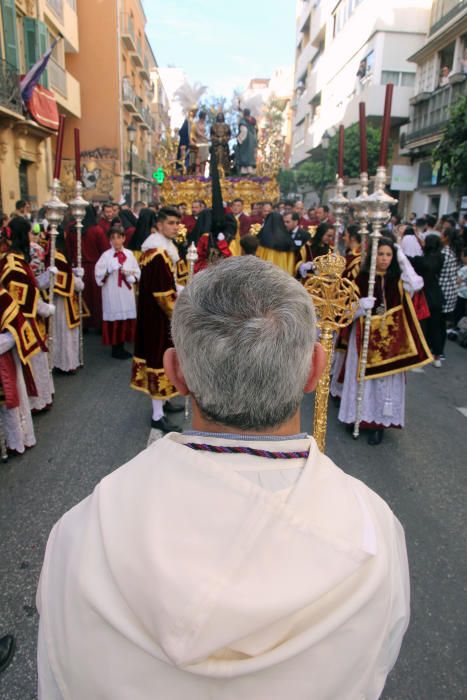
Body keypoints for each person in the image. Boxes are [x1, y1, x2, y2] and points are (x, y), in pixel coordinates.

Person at [37, 256, 410, 700]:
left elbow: (58, 681)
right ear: (315, 369)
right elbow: (375, 669)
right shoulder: (374, 532)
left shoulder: (79, 534)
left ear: (175, 373)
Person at [338, 238, 432, 444]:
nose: (384, 259)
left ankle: (378, 424)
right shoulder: (361, 279)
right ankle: (357, 418)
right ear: (373, 255)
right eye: (381, 254)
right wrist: (360, 306)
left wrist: (400, 255)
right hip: (363, 338)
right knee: (362, 379)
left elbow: (417, 283)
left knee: (383, 383)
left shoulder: (398, 281)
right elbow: (343, 312)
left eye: (388, 255)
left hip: (391, 343)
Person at [130, 207, 184, 431]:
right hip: (157, 319)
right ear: (159, 225)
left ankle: (166, 400)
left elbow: (167, 284)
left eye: (176, 223)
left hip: (158, 317)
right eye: (170, 223)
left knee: (165, 357)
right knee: (157, 360)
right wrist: (181, 309)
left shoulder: (164, 250)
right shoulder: (157, 254)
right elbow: (163, 296)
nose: (174, 227)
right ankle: (157, 415)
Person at [0, 217, 54, 413]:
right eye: (30, 233)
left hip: (28, 318)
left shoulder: (16, 258)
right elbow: (22, 297)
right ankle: (36, 402)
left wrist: (48, 277)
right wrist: (43, 308)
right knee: (33, 360)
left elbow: (31, 286)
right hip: (24, 321)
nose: (34, 237)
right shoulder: (13, 264)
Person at [95, 225, 140, 359]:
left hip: (126, 292)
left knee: (125, 317)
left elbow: (137, 270)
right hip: (112, 291)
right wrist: (108, 270)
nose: (116, 241)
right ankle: (116, 348)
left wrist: (132, 276)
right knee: (115, 316)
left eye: (119, 237)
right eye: (113, 238)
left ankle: (122, 345)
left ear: (124, 238)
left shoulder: (129, 254)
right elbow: (98, 275)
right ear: (109, 240)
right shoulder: (106, 256)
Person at [65, 204, 110, 332]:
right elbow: (105, 250)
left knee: (81, 296)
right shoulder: (97, 230)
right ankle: (97, 324)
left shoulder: (71, 229)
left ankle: (82, 323)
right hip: (95, 267)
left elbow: (68, 251)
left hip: (78, 267)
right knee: (96, 298)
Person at [47, 233, 85, 374]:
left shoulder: (52, 257)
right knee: (66, 335)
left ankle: (58, 362)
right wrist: (79, 279)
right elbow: (77, 285)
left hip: (56, 302)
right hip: (64, 302)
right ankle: (69, 364)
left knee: (58, 333)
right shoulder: (59, 258)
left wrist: (75, 272)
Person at [408, 234, 444, 367]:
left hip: (424, 298)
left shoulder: (420, 261)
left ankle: (421, 356)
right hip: (437, 297)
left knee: (422, 327)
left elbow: (409, 260)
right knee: (436, 327)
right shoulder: (441, 258)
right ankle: (437, 356)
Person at [438, 227, 462, 357]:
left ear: (446, 237)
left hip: (443, 291)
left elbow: (439, 270)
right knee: (442, 323)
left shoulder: (445, 253)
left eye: (442, 234)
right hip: (451, 291)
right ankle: (439, 351)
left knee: (439, 323)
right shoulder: (453, 251)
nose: (440, 235)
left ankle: (438, 352)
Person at [235, 108, 258, 175]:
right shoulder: (252, 121)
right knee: (250, 155)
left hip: (246, 141)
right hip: (252, 140)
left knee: (245, 154)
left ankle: (245, 169)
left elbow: (244, 131)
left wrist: (239, 139)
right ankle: (249, 169)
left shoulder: (243, 121)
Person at [190, 110, 209, 176]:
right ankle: (197, 173)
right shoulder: (196, 124)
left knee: (204, 160)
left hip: (205, 143)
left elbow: (205, 132)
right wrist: (204, 136)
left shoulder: (204, 123)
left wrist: (206, 137)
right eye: (204, 116)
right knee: (198, 159)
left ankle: (203, 174)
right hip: (198, 142)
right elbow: (197, 132)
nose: (204, 118)